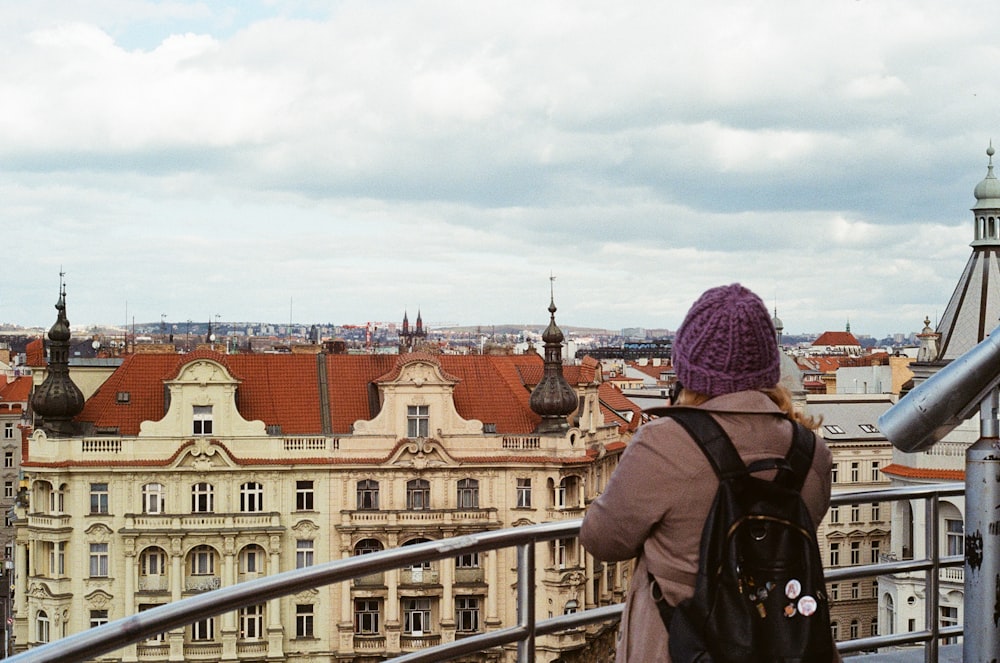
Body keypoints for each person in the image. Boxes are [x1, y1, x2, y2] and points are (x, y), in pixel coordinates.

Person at [580, 283, 836, 662]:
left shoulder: (664, 444)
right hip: (785, 647)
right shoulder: (811, 452)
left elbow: (602, 539)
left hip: (682, 649)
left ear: (687, 372)